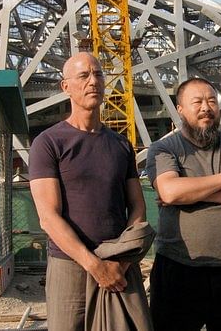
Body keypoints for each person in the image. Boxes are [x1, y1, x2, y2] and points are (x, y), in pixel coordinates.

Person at [29, 52, 150, 331]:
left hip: (119, 265)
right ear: (65, 86)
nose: (93, 81)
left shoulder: (121, 145)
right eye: (83, 76)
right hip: (70, 265)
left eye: (98, 74)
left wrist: (120, 262)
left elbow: (138, 208)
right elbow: (48, 217)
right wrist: (94, 265)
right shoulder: (48, 143)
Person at [145, 77, 221, 331]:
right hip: (178, 270)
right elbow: (170, 192)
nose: (206, 108)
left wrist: (190, 191)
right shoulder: (164, 148)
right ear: (180, 109)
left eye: (211, 101)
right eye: (197, 102)